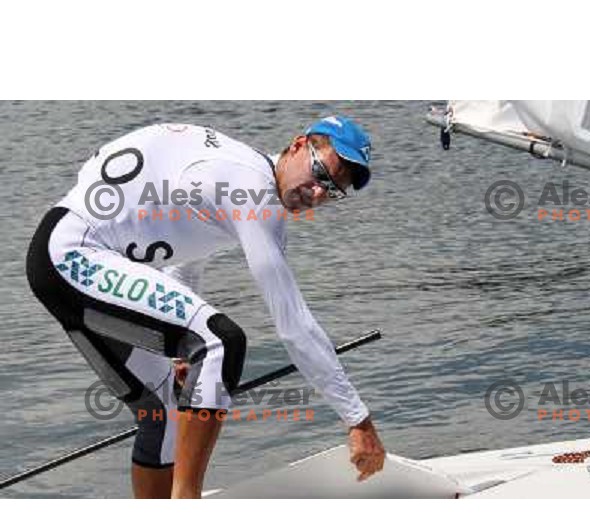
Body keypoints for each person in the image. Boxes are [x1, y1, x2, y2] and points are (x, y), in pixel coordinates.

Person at [26, 114, 386, 498]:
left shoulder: (237, 173)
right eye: (320, 174)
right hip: (74, 255)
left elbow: (187, 249)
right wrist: (357, 419)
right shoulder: (253, 191)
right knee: (221, 342)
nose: (317, 194)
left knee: (164, 415)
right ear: (298, 145)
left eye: (333, 191)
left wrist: (182, 351)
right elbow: (293, 325)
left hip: (59, 259)